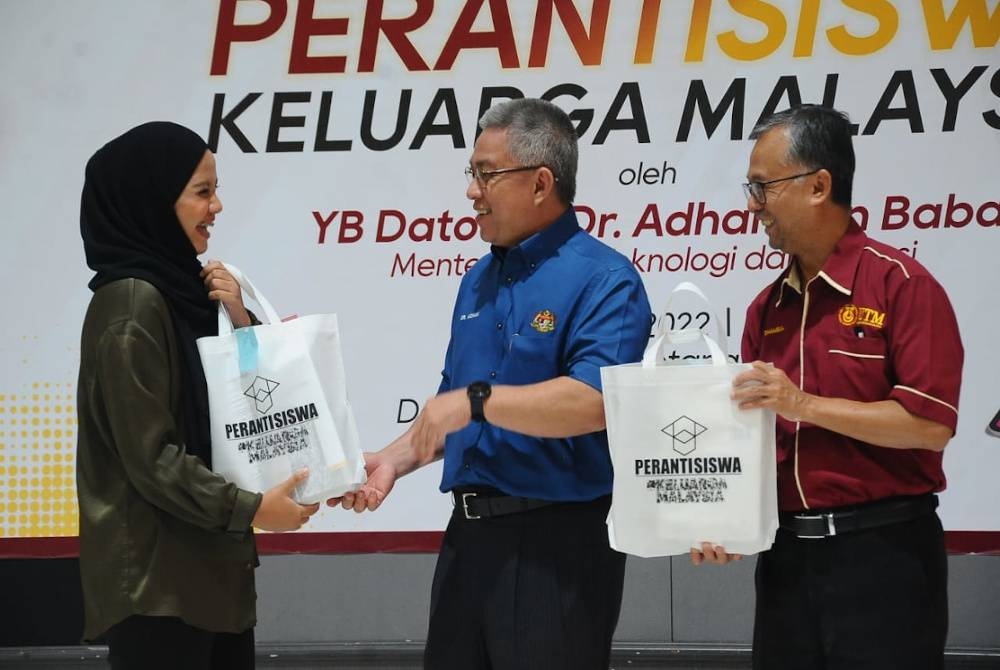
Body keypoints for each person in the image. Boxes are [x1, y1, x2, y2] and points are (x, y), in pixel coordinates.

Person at [330, 98, 652, 669]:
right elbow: (451, 404)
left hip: (558, 545)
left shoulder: (605, 279)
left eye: (486, 174)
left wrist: (476, 403)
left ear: (540, 183)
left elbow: (593, 402)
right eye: (470, 174)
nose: (472, 191)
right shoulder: (478, 280)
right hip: (468, 540)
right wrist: (392, 461)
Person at [693, 105, 963, 670]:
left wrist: (801, 402)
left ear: (819, 186)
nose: (752, 205)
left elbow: (931, 426)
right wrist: (726, 523)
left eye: (763, 186)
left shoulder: (903, 287)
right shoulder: (763, 309)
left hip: (885, 556)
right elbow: (756, 442)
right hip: (786, 561)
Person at [76, 121, 319, 669]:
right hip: (160, 589)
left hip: (209, 577)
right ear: (154, 201)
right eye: (202, 192)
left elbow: (246, 398)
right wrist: (254, 508)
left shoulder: (186, 292)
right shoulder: (131, 304)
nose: (218, 207)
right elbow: (151, 459)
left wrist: (239, 318)